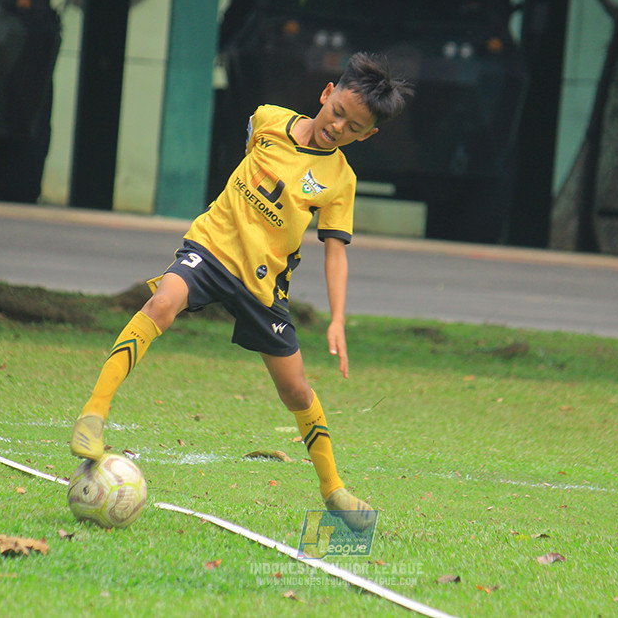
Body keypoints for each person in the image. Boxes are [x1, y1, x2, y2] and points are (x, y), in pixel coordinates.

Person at [70, 52, 412, 531]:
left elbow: (336, 251)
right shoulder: (269, 119)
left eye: (354, 128)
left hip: (264, 285)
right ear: (326, 94)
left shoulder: (340, 181)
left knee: (296, 390)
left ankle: (333, 489)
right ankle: (93, 414)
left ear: (366, 135)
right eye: (338, 113)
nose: (339, 128)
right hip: (212, 248)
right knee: (161, 303)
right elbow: (253, 150)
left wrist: (337, 319)